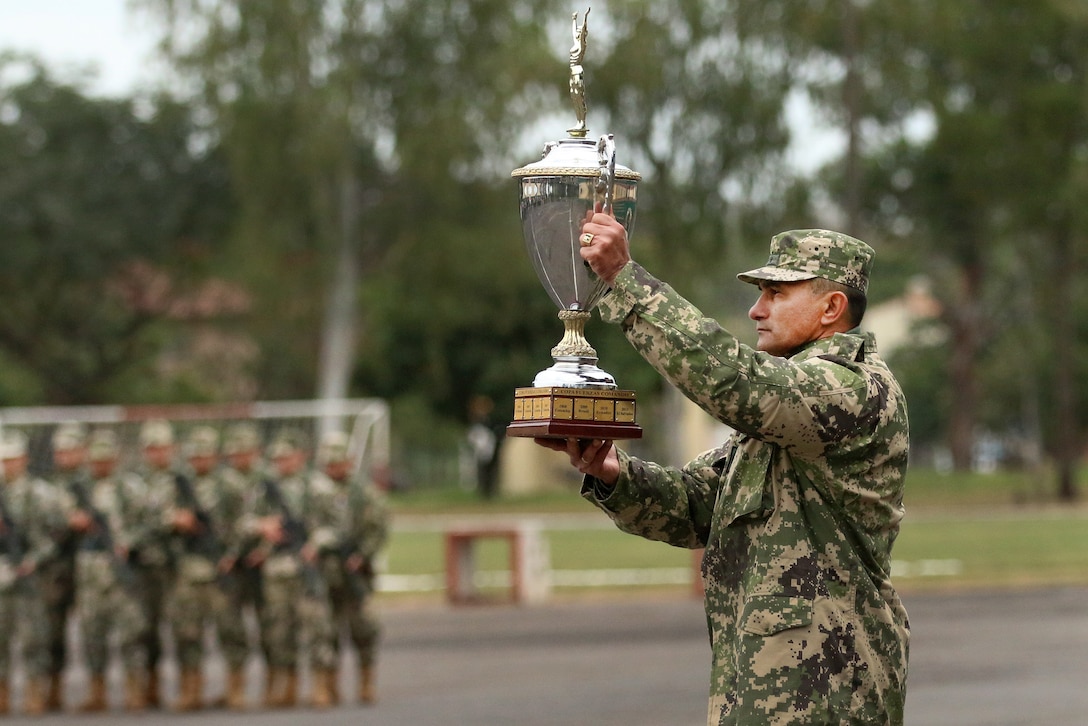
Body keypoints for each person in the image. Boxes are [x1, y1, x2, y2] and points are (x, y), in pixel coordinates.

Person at [538, 220, 911, 724]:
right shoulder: (784, 411)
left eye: (776, 294)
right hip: (759, 694)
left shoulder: (852, 390)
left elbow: (732, 380)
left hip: (828, 695)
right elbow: (698, 508)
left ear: (831, 308)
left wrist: (625, 281)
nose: (756, 310)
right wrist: (612, 474)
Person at [239, 430, 338, 708]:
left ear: (300, 456)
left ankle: (320, 685)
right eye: (277, 458)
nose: (282, 463)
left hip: (308, 568)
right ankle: (288, 686)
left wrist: (316, 543)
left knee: (316, 626)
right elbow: (244, 522)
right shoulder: (264, 489)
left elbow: (337, 526)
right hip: (276, 569)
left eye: (287, 457)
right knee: (279, 628)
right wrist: (263, 526)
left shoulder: (319, 487)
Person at [167, 425, 250, 711]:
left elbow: (244, 523)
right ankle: (191, 690)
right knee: (186, 631)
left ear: (215, 455)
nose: (199, 460)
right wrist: (174, 520)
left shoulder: (231, 484)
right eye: (195, 456)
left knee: (231, 629)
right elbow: (156, 517)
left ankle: (235, 689)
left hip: (221, 568)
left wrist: (233, 555)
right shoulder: (177, 484)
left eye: (205, 455)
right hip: (188, 569)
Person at [66, 427, 149, 712]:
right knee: (91, 632)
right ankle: (96, 691)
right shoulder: (78, 487)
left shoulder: (131, 487)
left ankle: (135, 690)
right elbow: (57, 523)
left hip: (121, 566)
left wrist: (128, 542)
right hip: (90, 566)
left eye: (106, 458)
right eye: (96, 459)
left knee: (130, 631)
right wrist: (73, 521)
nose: (101, 464)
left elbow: (148, 524)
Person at [315, 430, 390, 705]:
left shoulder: (364, 493)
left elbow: (378, 528)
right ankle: (328, 687)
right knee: (325, 632)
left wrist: (363, 555)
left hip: (356, 572)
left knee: (364, 629)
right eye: (329, 464)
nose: (333, 468)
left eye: (338, 462)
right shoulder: (316, 492)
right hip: (326, 573)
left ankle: (366, 683)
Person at [0, 430, 66, 715]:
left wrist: (34, 560)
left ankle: (35, 695)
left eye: (12, 459)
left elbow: (56, 535)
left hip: (30, 574)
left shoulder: (41, 494)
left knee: (33, 640)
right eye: (3, 460)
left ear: (24, 460)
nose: (7, 465)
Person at [127, 418, 182, 708]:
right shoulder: (132, 482)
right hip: (143, 565)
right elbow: (128, 522)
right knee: (142, 629)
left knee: (183, 628)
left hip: (176, 565)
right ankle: (144, 687)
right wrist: (164, 521)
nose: (157, 453)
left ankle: (186, 689)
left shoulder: (183, 479)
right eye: (151, 448)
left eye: (162, 447)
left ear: (172, 448)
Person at [41, 420, 90, 711]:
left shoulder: (95, 482)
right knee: (52, 629)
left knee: (95, 628)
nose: (66, 456)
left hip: (91, 566)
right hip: (56, 568)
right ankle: (52, 689)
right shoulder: (46, 487)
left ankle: (99, 692)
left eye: (72, 450)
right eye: (61, 451)